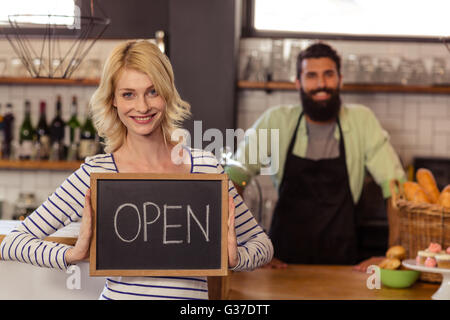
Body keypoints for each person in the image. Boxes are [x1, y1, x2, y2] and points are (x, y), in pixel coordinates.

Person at [0, 40, 273, 300]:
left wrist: (236, 259)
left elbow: (263, 245)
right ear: (113, 100)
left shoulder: (205, 168)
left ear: (166, 93)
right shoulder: (97, 173)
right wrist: (72, 255)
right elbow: (11, 243)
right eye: (128, 94)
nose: (142, 106)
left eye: (152, 91)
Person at [234, 42, 405, 269]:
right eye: (311, 75)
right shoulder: (276, 121)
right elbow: (234, 179)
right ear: (298, 82)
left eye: (328, 74)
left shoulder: (362, 121)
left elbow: (395, 188)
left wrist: (392, 254)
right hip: (282, 265)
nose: (321, 84)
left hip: (343, 266)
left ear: (340, 79)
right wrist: (244, 249)